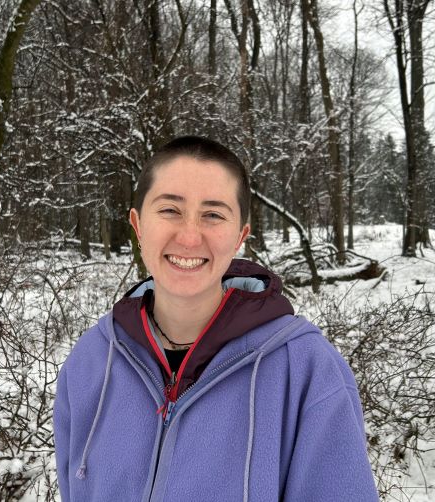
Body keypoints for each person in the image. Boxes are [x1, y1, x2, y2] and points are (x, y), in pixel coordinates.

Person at [53, 136, 379, 501]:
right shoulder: (92, 361)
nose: (190, 237)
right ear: (138, 223)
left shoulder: (306, 371)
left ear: (240, 235)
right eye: (169, 210)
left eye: (213, 215)